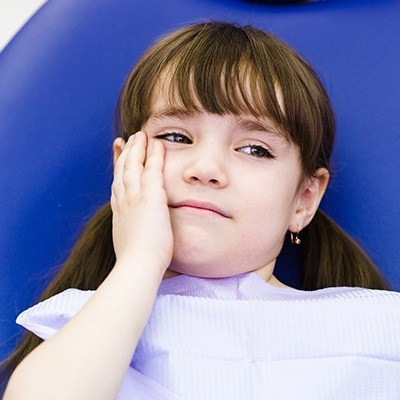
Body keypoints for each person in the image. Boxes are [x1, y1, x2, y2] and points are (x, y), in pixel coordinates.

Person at [2, 21, 400, 399]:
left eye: (254, 149)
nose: (206, 169)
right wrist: (140, 260)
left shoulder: (379, 325)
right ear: (126, 167)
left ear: (304, 200)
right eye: (176, 136)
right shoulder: (88, 326)